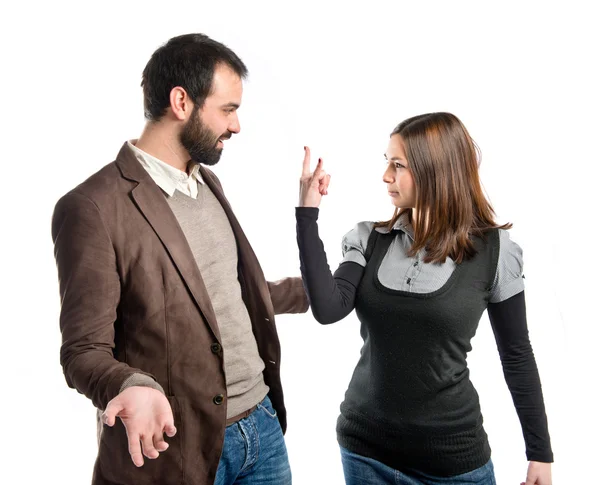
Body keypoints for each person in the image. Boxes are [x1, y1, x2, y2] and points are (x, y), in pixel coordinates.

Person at [51, 33, 308, 485]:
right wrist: (133, 385)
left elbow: (228, 293)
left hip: (263, 431)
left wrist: (323, 289)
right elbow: (83, 351)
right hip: (177, 452)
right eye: (228, 109)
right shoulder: (92, 207)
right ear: (181, 102)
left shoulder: (206, 182)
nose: (237, 125)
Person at [295, 112, 553, 485]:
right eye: (386, 163)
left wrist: (539, 454)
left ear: (435, 170)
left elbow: (516, 354)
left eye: (397, 165)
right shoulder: (369, 239)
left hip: (453, 464)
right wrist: (307, 215)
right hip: (365, 452)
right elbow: (327, 308)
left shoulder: (496, 253)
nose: (386, 176)